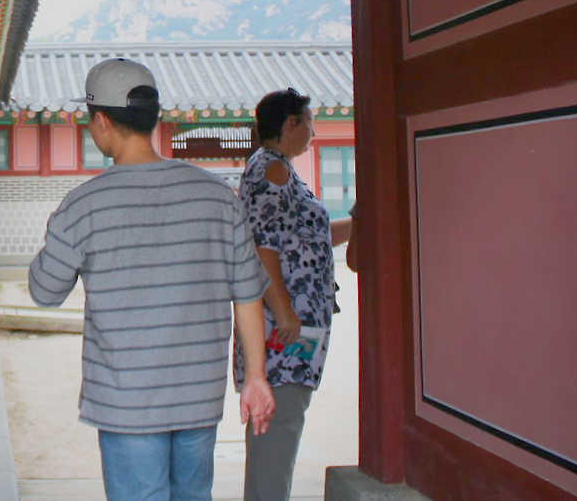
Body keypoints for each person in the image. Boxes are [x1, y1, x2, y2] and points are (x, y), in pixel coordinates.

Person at [28, 58, 276, 501]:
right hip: (198, 396)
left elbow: (45, 292)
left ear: (101, 122)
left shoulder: (84, 205)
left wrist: (60, 235)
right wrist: (255, 376)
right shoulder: (218, 196)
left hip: (127, 402)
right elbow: (247, 294)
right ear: (153, 117)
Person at [234, 88, 353, 501]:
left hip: (288, 332)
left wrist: (357, 221)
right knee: (277, 432)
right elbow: (261, 244)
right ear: (290, 124)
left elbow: (307, 238)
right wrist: (284, 311)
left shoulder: (276, 169)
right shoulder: (271, 170)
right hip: (282, 334)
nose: (313, 133)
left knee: (279, 432)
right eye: (309, 123)